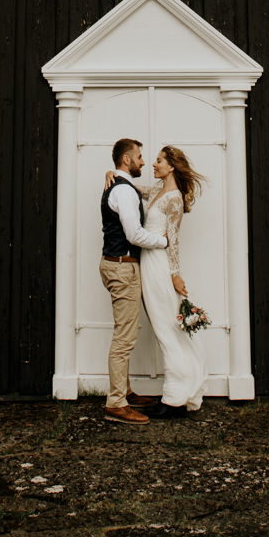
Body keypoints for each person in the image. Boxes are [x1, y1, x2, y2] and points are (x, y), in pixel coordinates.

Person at [105, 145, 209, 419]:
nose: (153, 164)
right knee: (161, 327)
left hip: (160, 267)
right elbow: (129, 187)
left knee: (167, 329)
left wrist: (175, 274)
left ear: (171, 166)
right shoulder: (155, 192)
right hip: (145, 265)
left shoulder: (173, 199)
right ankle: (174, 393)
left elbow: (173, 240)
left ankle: (175, 398)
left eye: (159, 161)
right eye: (150, 159)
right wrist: (112, 173)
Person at [99, 138, 169, 426]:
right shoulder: (124, 192)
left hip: (117, 266)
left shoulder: (120, 186)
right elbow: (134, 235)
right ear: (126, 160)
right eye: (139, 157)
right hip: (122, 267)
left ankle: (125, 392)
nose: (144, 162)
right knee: (124, 339)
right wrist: (165, 242)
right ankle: (116, 403)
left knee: (124, 331)